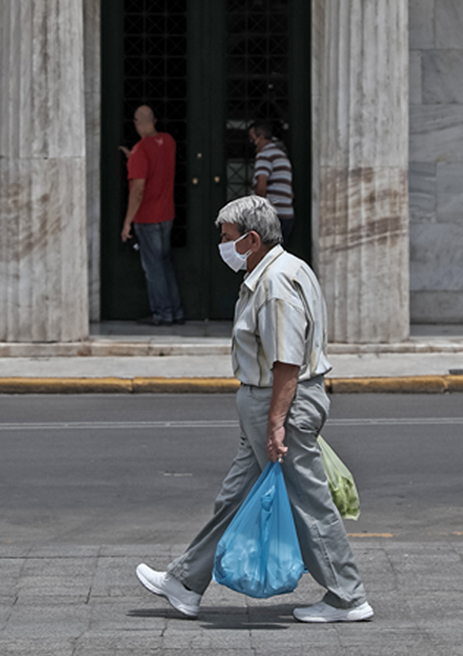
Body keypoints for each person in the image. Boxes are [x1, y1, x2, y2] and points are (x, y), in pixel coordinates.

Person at [136, 195, 372, 623]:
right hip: (268, 403)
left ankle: (348, 595)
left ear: (251, 239)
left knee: (308, 501)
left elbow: (287, 360)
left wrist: (277, 423)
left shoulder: (276, 284)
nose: (222, 246)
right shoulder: (283, 269)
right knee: (235, 496)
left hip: (280, 403)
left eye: (227, 238)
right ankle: (186, 582)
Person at [120, 105, 184, 325]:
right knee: (165, 263)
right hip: (167, 214)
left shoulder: (141, 150)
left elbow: (138, 191)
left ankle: (162, 313)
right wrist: (134, 157)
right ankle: (175, 310)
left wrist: (127, 223)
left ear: (137, 123)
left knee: (153, 268)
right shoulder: (168, 142)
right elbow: (157, 164)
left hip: (147, 217)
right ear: (154, 120)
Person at [249, 121, 295, 245]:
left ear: (261, 138)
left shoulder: (264, 155)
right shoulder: (281, 156)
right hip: (287, 213)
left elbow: (261, 187)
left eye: (252, 139)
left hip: (273, 215)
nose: (251, 143)